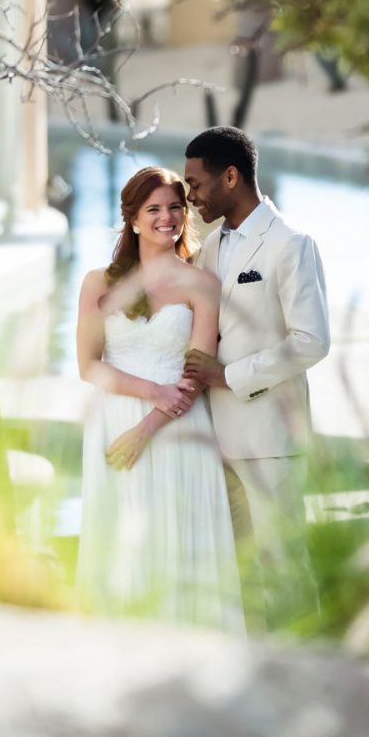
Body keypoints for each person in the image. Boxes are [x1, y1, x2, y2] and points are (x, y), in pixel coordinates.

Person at [74, 165, 245, 634]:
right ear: (132, 219)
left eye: (175, 207)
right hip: (114, 424)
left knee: (182, 546)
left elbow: (196, 374)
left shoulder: (201, 285)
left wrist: (146, 426)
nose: (166, 217)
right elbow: (89, 365)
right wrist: (151, 393)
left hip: (178, 428)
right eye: (153, 209)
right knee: (122, 552)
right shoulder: (99, 283)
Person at [182, 127, 329, 628]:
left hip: (271, 439)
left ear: (231, 176)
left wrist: (230, 375)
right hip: (214, 443)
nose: (191, 197)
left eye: (196, 184)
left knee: (285, 569)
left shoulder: (291, 244)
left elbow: (312, 340)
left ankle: (307, 672)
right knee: (238, 573)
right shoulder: (207, 249)